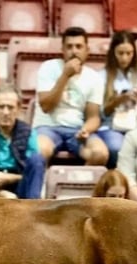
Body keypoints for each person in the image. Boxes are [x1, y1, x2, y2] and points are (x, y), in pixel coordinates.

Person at [32, 27, 108, 166]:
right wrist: (65, 76)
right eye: (69, 47)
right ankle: (43, 187)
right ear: (62, 50)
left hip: (76, 130)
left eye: (79, 46)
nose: (74, 51)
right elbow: (46, 106)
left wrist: (86, 129)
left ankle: (80, 186)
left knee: (100, 154)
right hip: (47, 127)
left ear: (87, 51)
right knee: (40, 150)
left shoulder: (94, 78)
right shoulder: (48, 68)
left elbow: (93, 117)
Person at [95, 30, 137, 169]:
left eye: (129, 53)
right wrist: (116, 101)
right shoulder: (101, 77)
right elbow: (99, 113)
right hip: (110, 127)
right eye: (120, 53)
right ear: (112, 53)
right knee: (118, 148)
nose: (124, 58)